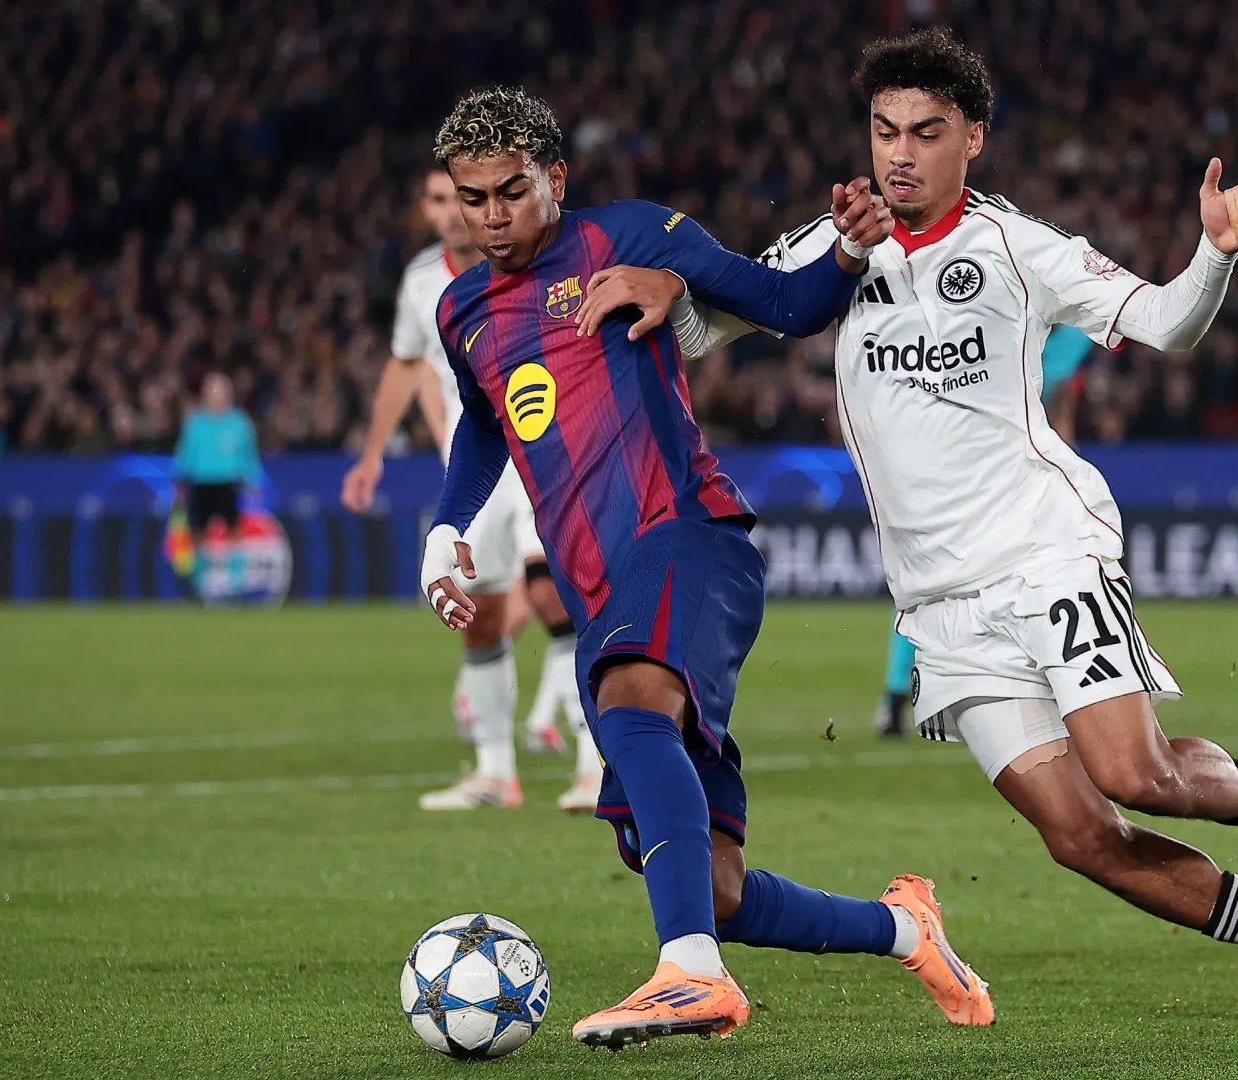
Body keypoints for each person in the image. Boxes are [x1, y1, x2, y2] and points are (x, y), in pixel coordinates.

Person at [583, 29, 1238, 1036]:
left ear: (972, 138)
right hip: (939, 604)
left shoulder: (1019, 247)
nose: (900, 154)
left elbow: (1166, 324)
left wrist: (1214, 253)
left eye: (926, 133)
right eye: (885, 130)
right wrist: (670, 291)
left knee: (1134, 774)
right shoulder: (829, 245)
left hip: (1044, 549)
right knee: (1081, 838)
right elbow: (707, 327)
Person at [416, 85, 992, 1049]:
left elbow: (786, 304)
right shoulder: (461, 308)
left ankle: (691, 974)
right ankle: (906, 930)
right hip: (606, 594)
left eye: (512, 191)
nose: (493, 217)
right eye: (472, 199)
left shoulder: (628, 236)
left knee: (632, 705)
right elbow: (483, 420)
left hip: (688, 534)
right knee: (715, 886)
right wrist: (446, 528)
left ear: (555, 177)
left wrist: (848, 252)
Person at [341, 168, 591, 812]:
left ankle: (595, 766)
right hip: (476, 467)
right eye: (439, 200)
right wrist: (371, 455)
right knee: (478, 618)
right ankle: (496, 774)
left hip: (545, 450)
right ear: (425, 211)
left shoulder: (539, 258)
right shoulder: (422, 281)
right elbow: (405, 365)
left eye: (463, 197)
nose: (454, 211)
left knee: (556, 596)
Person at [874, 324, 1091, 738]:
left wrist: (1067, 467)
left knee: (1030, 575)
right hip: (961, 466)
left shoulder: (1072, 338)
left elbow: (1062, 407)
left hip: (1019, 472)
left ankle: (1038, 686)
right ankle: (898, 693)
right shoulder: (996, 317)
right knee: (930, 582)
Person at [174, 372, 261, 600]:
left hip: (228, 482)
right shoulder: (194, 423)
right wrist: (180, 483)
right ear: (204, 394)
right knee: (198, 534)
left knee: (233, 532)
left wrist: (253, 480)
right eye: (212, 390)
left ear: (229, 394)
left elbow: (249, 455)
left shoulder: (240, 423)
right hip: (201, 482)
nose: (217, 395)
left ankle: (236, 586)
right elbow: (184, 454)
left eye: (221, 390)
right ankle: (199, 587)